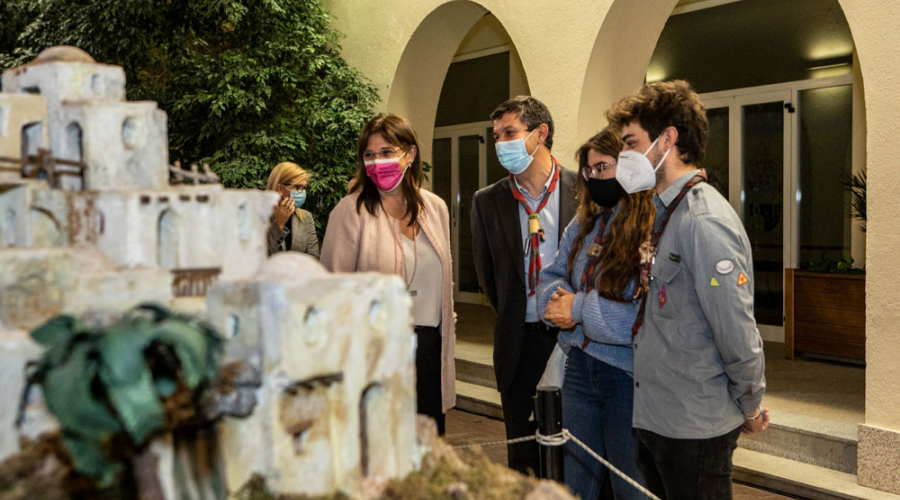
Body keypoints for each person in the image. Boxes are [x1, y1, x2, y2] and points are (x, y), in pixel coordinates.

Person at [606, 80, 769, 499]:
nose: (623, 156)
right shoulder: (665, 212)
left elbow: (736, 329)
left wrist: (750, 403)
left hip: (694, 429)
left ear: (668, 138)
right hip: (658, 419)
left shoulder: (703, 219)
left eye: (630, 143)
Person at [320, 113, 455, 434]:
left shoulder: (435, 209)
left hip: (428, 351)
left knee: (426, 453)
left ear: (409, 155)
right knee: (381, 454)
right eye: (369, 155)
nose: (377, 161)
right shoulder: (350, 212)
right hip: (374, 352)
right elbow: (331, 292)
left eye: (386, 152)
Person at [537, 126, 652, 499]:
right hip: (579, 371)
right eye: (589, 171)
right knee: (573, 487)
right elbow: (549, 279)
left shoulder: (651, 227)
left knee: (629, 487)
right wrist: (556, 304)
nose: (596, 177)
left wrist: (580, 308)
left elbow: (643, 317)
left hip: (627, 377)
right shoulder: (583, 223)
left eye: (604, 167)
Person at [471, 96, 577, 475]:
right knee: (524, 460)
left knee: (577, 455)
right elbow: (488, 277)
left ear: (540, 133)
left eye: (510, 133)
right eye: (496, 135)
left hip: (576, 340)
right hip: (519, 342)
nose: (501, 143)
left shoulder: (584, 192)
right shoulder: (488, 202)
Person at [266, 162, 320, 258]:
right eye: (298, 187)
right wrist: (279, 224)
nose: (302, 192)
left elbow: (313, 257)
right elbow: (261, 256)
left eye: (304, 188)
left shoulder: (306, 217)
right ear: (281, 188)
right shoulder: (258, 216)